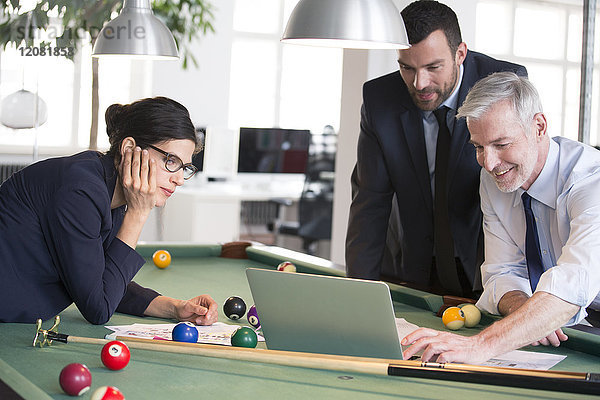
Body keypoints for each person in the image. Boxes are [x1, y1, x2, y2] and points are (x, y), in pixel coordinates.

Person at [402, 72, 600, 364]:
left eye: (501, 144)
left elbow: (573, 286)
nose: (489, 163)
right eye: (479, 147)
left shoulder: (591, 181)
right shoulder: (494, 179)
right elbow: (501, 273)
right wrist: (525, 310)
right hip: (577, 330)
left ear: (539, 127)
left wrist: (479, 346)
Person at [345, 0, 527, 297]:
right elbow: (370, 202)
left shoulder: (504, 85)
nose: (420, 83)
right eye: (407, 68)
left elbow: (518, 191)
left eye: (433, 67)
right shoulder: (380, 100)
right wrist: (358, 292)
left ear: (460, 54)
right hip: (410, 265)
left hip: (485, 264)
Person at [0, 97, 219, 325]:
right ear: (129, 149)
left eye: (185, 168)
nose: (179, 179)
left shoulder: (107, 188)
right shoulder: (81, 191)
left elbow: (102, 280)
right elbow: (99, 308)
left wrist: (176, 308)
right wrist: (138, 213)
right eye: (171, 161)